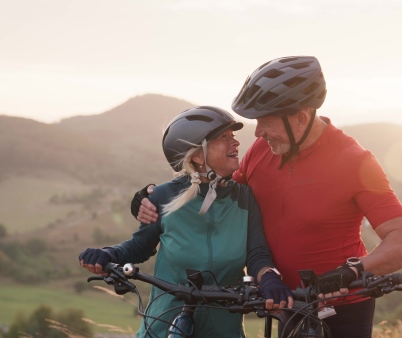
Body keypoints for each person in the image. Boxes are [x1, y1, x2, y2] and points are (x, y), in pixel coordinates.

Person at [133, 56, 402, 337]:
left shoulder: (355, 162)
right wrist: (152, 197)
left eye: (265, 122)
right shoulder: (262, 150)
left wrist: (352, 271)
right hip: (287, 301)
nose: (257, 133)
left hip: (344, 307)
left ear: (300, 118)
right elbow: (216, 192)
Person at [79, 106, 293, 338]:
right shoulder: (164, 196)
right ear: (198, 155)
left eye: (233, 136)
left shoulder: (244, 198)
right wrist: (110, 254)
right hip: (162, 329)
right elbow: (139, 247)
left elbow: (257, 254)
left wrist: (270, 278)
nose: (235, 143)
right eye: (224, 137)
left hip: (223, 332)